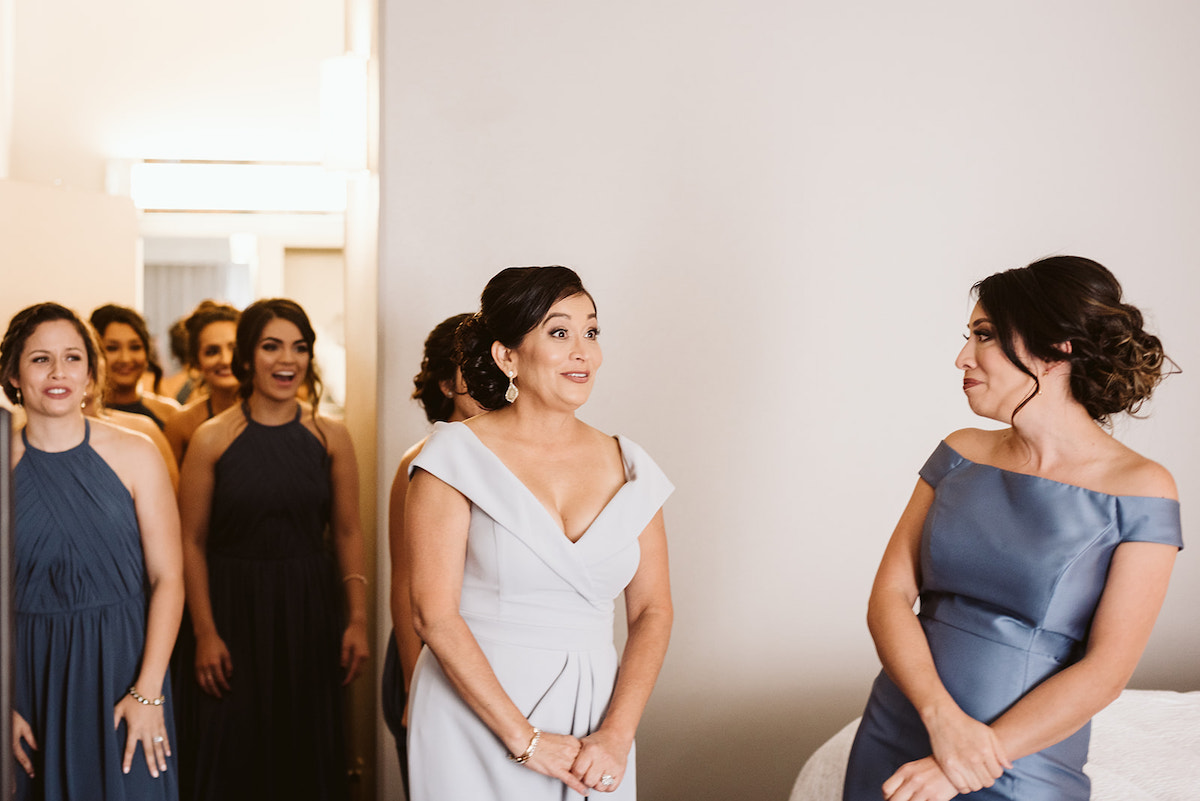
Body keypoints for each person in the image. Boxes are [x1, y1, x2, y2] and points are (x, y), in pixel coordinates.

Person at [843, 256, 1182, 801]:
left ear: (1057, 349)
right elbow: (889, 595)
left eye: (985, 336)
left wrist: (966, 759)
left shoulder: (1141, 489)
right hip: (900, 727)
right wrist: (941, 722)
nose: (962, 358)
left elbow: (1106, 671)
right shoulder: (958, 453)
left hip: (1018, 761)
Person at [406, 266, 674, 800]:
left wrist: (617, 735)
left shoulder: (632, 465)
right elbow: (432, 614)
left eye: (591, 332)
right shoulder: (452, 459)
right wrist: (525, 740)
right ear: (507, 357)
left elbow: (653, 612)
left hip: (598, 724)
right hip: (476, 714)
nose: (583, 352)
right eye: (559, 332)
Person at [175, 298, 368, 801]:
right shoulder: (211, 439)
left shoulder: (332, 437)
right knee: (229, 751)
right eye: (271, 346)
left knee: (305, 751)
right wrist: (204, 633)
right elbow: (190, 541)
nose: (288, 360)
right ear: (247, 357)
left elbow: (348, 532)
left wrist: (358, 619)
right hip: (231, 610)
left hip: (309, 609)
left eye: (299, 348)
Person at [2, 302, 184, 798]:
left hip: (126, 669)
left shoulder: (137, 452)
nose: (58, 372)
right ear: (13, 375)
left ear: (90, 371)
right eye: (40, 359)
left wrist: (148, 693)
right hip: (26, 679)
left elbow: (169, 578)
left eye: (72, 357)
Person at [382, 312, 484, 791]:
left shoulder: (506, 457)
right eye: (472, 365)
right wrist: (411, 684)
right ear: (446, 383)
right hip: (423, 656)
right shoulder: (420, 462)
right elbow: (404, 585)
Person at [164, 301, 240, 464]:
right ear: (197, 362)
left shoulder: (276, 414)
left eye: (234, 349)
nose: (226, 360)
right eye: (212, 352)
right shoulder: (181, 424)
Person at [90, 304, 181, 429]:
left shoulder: (170, 414)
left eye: (135, 347)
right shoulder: (83, 416)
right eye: (112, 348)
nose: (125, 359)